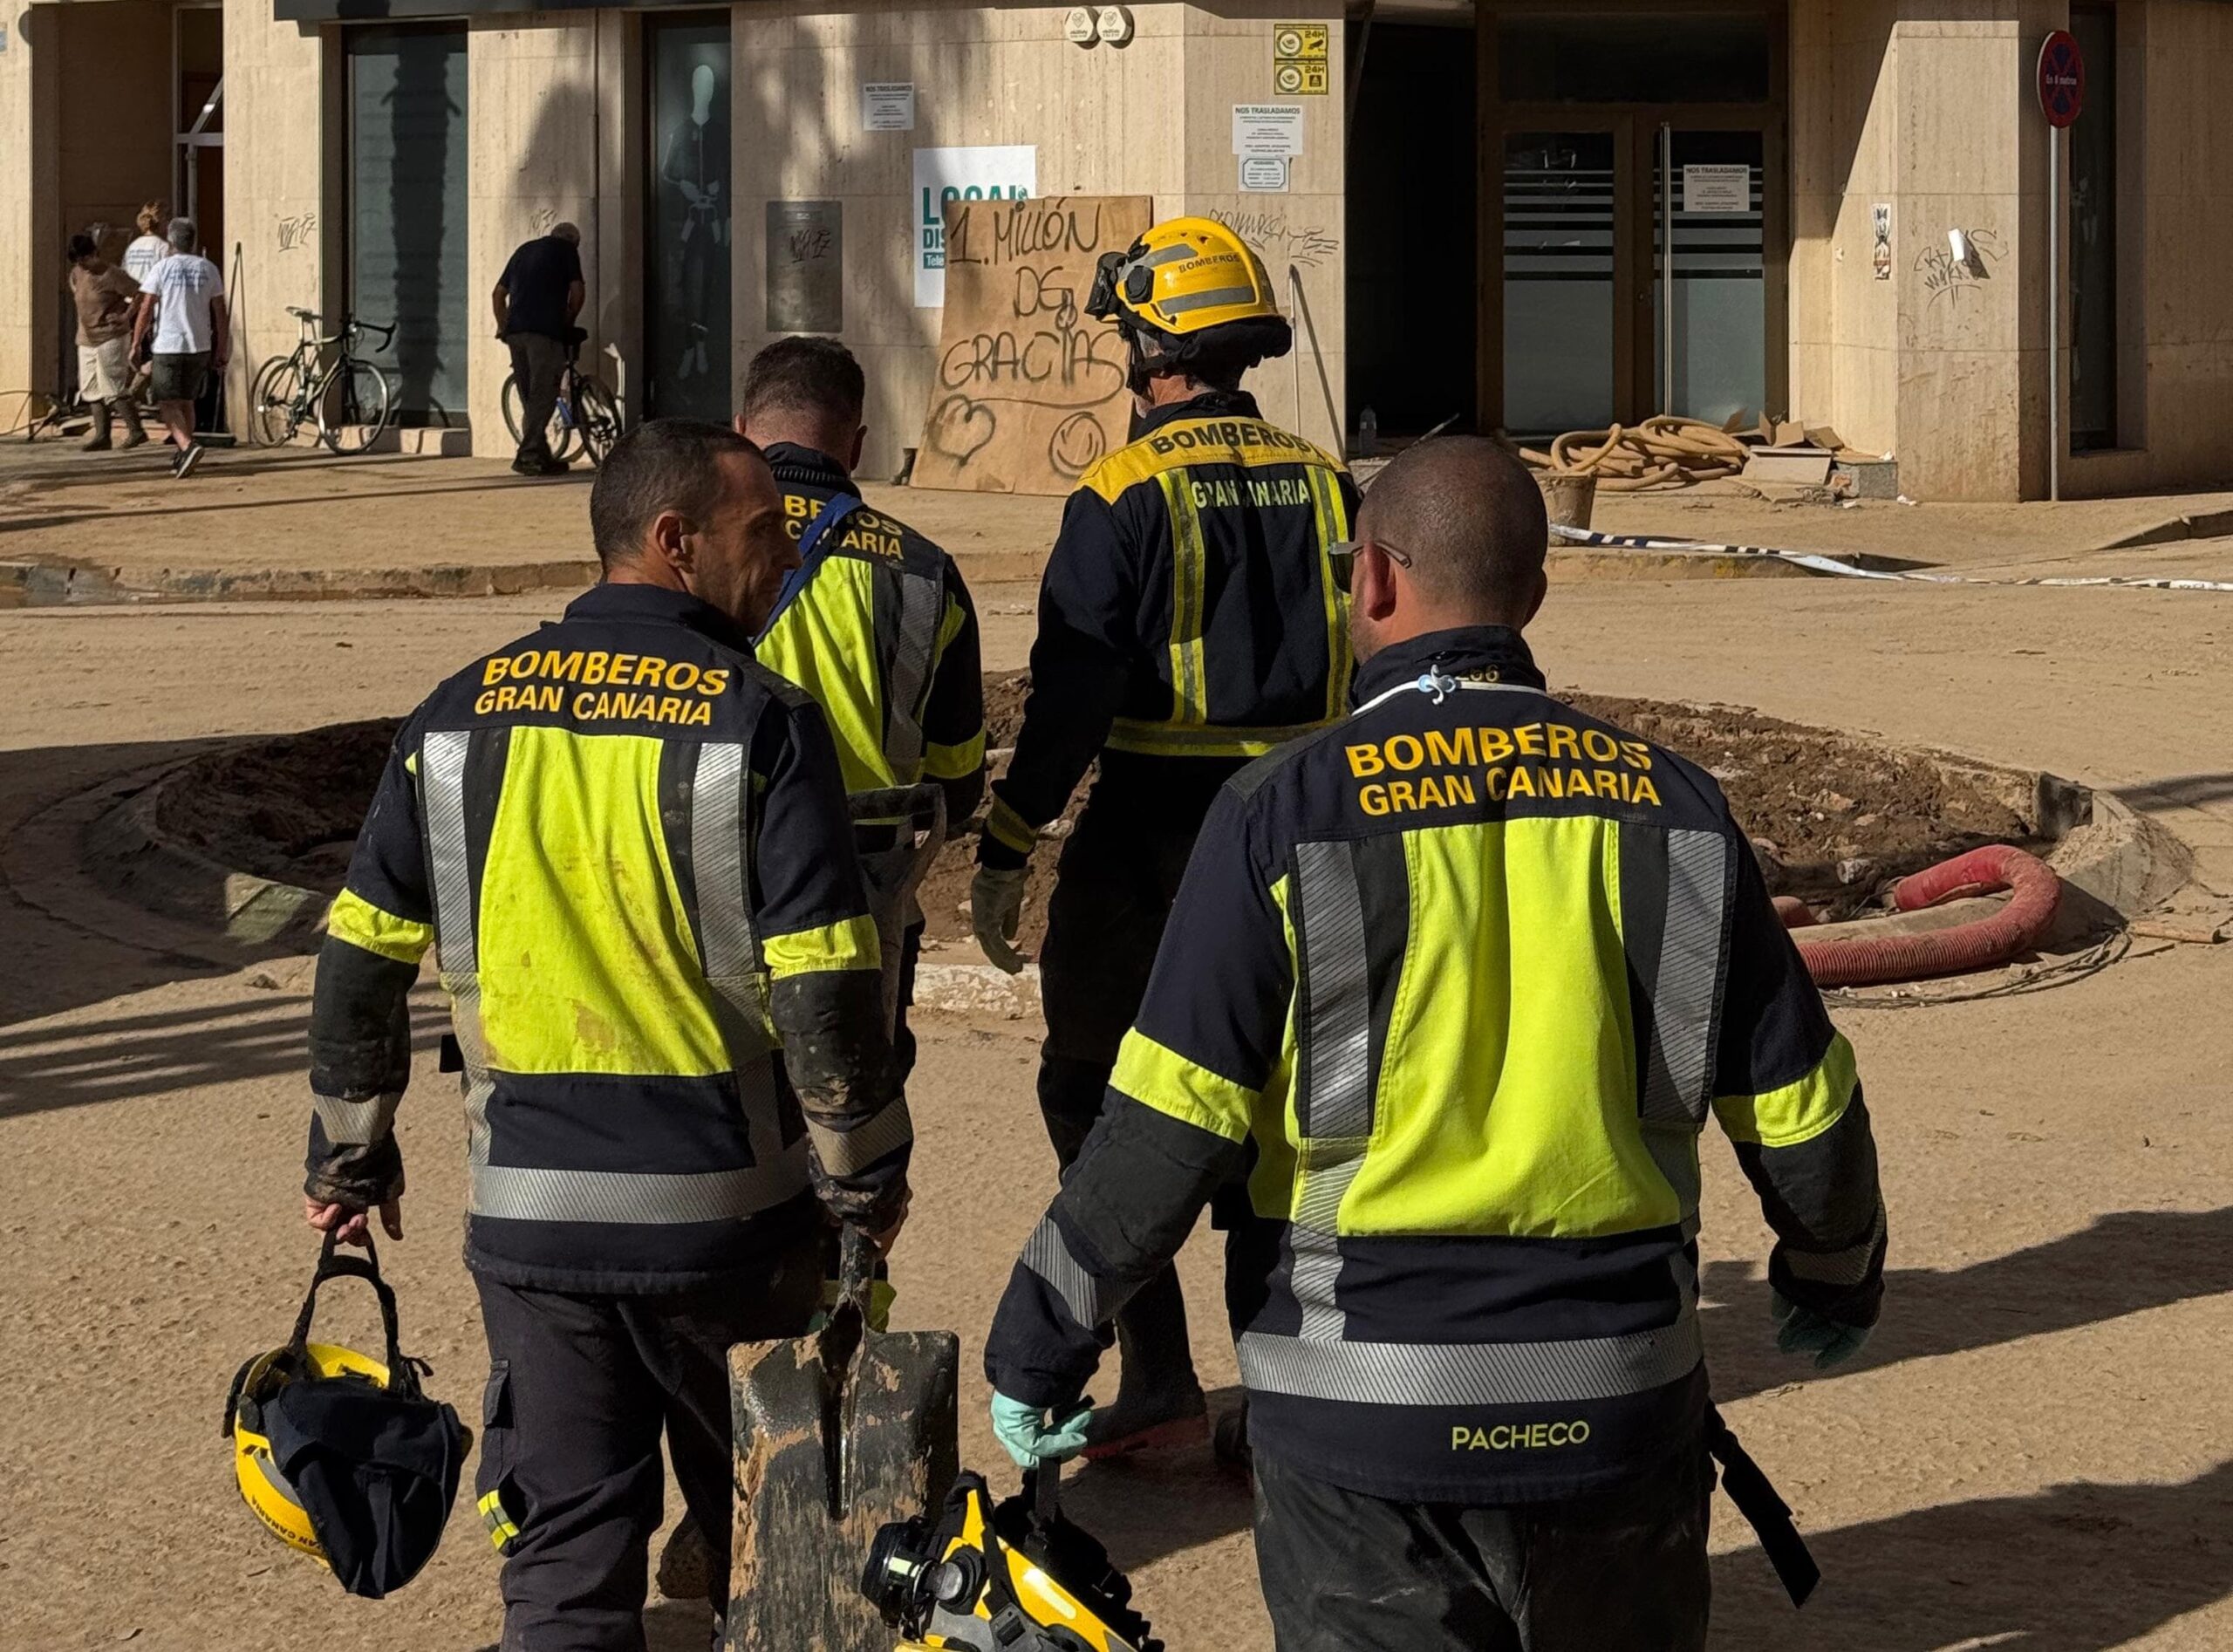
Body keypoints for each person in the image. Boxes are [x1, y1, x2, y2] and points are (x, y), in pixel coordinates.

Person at [982, 435, 1888, 1652]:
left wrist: (1041, 1337)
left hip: (1365, 1433)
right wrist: (1834, 1268)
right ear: (1535, 591)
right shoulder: (1670, 806)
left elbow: (1166, 1122)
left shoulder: (1283, 813)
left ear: (1373, 581)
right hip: (1619, 1403)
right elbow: (1800, 1101)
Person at [299, 419, 911, 1650]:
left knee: (568, 1560)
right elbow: (827, 987)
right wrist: (865, 1183)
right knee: (774, 1538)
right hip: (728, 1223)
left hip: (531, 1220)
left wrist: (348, 1158)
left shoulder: (458, 711)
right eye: (763, 538)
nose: (788, 562)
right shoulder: (762, 722)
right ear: (674, 542)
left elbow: (360, 954)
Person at [968, 215, 1356, 1457]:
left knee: (1093, 1092)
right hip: (1311, 836)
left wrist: (1011, 837)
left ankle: (1159, 1373)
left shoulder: (1122, 494)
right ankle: (1277, 1400)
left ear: (1151, 348)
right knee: (1283, 1121)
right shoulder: (1325, 479)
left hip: (1152, 844)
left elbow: (1073, 693)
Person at [739, 335, 987, 1067]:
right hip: (866, 904)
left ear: (739, 431)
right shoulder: (923, 572)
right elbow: (958, 778)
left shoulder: (694, 548)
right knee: (857, 1119)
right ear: (858, 445)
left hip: (718, 883)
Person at [129, 218, 227, 479]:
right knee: (186, 401)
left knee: (166, 402)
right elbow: (220, 311)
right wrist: (222, 347)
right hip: (200, 345)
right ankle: (185, 452)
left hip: (169, 345)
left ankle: (187, 445)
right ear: (192, 241)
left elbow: (146, 307)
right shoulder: (208, 269)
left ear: (171, 241)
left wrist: (137, 342)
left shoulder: (162, 268)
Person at [493, 222, 586, 476]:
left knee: (530, 397)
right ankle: (528, 455)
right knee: (544, 394)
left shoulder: (524, 250)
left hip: (516, 332)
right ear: (573, 242)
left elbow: (498, 294)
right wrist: (568, 321)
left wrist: (503, 326)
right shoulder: (567, 251)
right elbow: (578, 292)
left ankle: (541, 454)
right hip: (544, 333)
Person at [66, 234, 147, 452]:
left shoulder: (112, 274)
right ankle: (102, 435)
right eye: (78, 262)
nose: (83, 266)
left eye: (85, 260)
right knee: (90, 387)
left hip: (110, 336)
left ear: (94, 254)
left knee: (112, 386)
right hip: (86, 338)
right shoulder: (77, 273)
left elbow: (140, 293)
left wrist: (126, 315)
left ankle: (136, 430)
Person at [121, 201, 171, 284]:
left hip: (133, 295)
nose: (168, 223)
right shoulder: (164, 248)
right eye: (166, 219)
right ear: (160, 221)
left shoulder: (132, 247)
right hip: (153, 296)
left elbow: (124, 273)